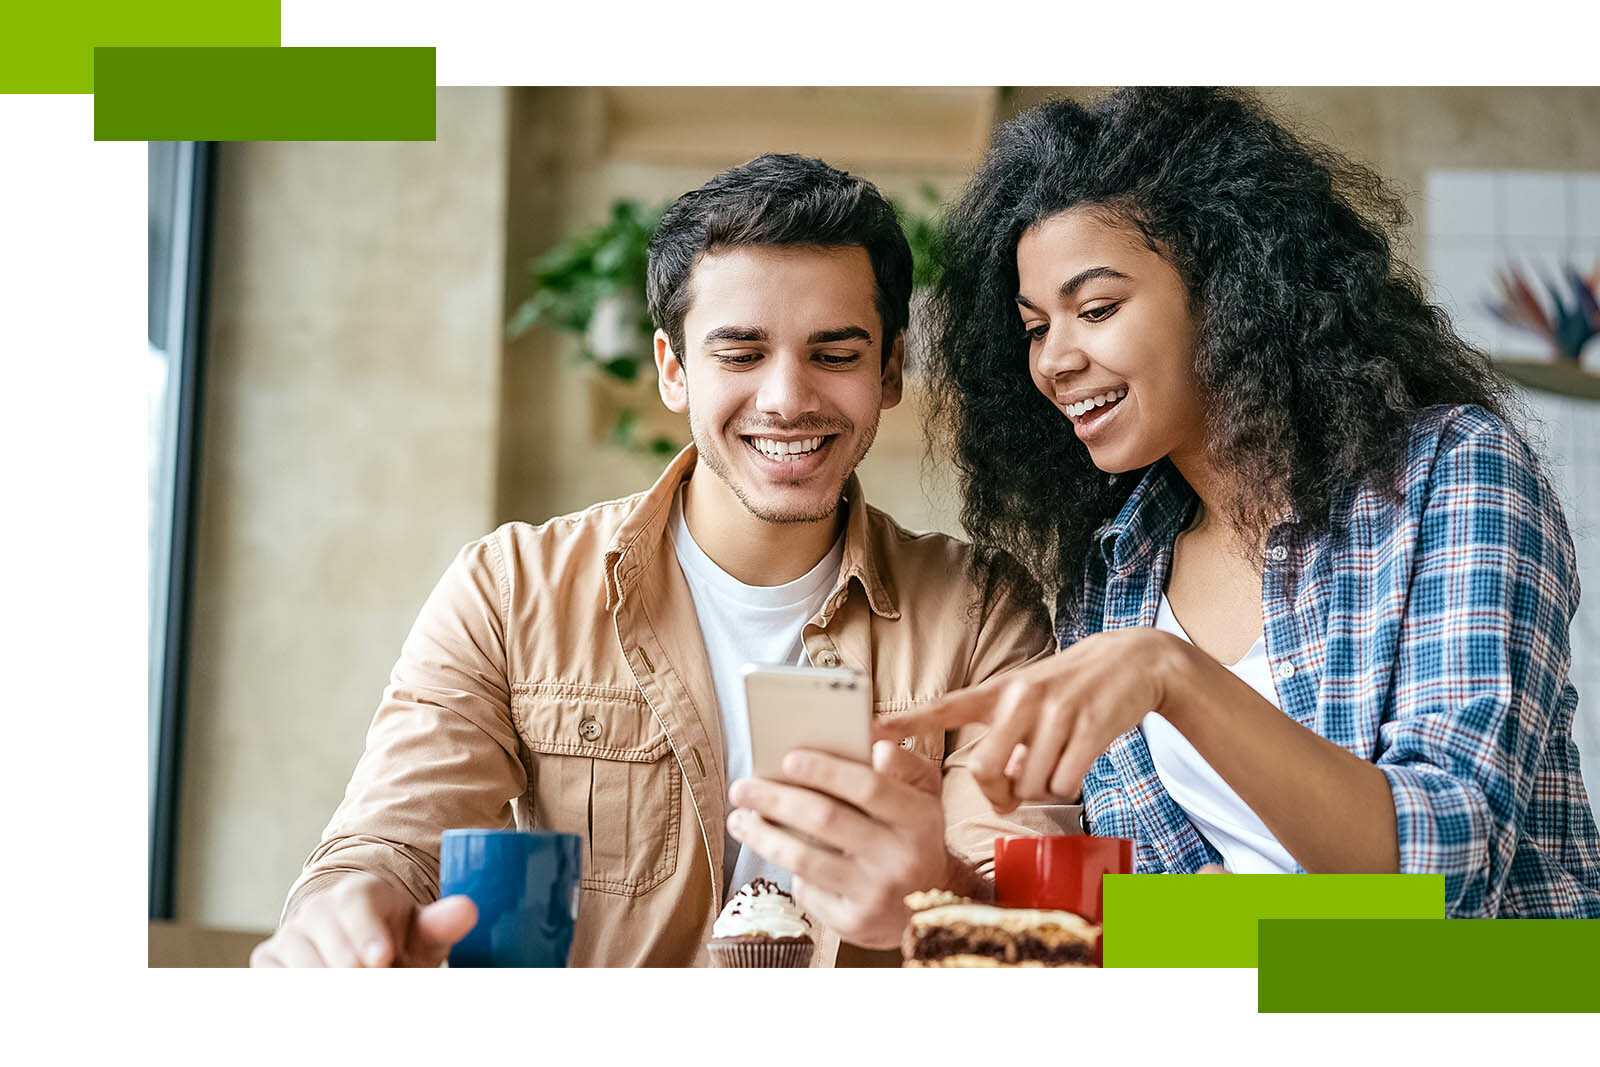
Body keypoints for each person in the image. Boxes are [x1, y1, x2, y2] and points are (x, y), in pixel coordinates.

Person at [251, 153, 1068, 968]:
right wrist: (344, 911)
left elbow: (1034, 929)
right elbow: (388, 846)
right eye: (741, 354)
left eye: (835, 353)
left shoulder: (982, 615)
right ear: (673, 370)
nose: (787, 397)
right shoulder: (509, 590)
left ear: (890, 369)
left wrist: (938, 893)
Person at [886, 87, 1600, 917]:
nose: (1055, 360)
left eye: (1097, 308)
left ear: (1228, 283)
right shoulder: (1116, 574)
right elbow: (1167, 911)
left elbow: (1447, 871)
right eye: (1035, 326)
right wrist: (943, 878)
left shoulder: (1450, 472)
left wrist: (1173, 674)